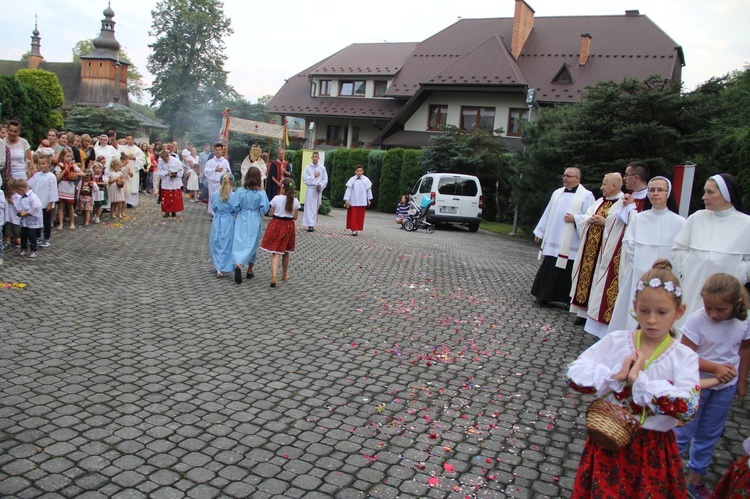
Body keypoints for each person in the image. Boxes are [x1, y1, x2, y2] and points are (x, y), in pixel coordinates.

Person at [566, 260, 700, 498]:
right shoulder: (618, 341)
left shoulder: (683, 356)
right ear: (635, 306)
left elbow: (688, 407)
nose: (651, 320)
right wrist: (614, 376)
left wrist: (640, 382)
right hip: (609, 440)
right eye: (644, 310)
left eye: (662, 312)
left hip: (653, 449)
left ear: (679, 312)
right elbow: (575, 374)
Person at [673, 273, 750, 498]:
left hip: (725, 387)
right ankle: (670, 474)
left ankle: (695, 479)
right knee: (683, 430)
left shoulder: (744, 321)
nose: (713, 314)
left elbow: (744, 350)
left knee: (709, 433)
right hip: (696, 384)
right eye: (709, 307)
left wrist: (742, 381)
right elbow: (684, 355)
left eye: (720, 310)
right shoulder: (698, 319)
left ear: (736, 304)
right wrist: (715, 368)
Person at [607, 177, 685, 333]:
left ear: (668, 193)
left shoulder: (680, 222)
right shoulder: (638, 219)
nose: (655, 194)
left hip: (668, 275)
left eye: (660, 190)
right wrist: (641, 266)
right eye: (652, 190)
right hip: (638, 273)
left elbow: (681, 251)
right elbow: (629, 245)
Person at [672, 173, 750, 322]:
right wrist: (690, 263)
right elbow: (677, 250)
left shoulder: (746, 223)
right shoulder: (696, 218)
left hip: (726, 294)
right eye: (705, 191)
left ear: (726, 195)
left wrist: (739, 271)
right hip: (693, 287)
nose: (704, 197)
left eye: (710, 192)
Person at [531, 167, 595, 305]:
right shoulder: (557, 193)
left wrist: (576, 219)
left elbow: (590, 216)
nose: (565, 178)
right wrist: (540, 232)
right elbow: (548, 213)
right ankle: (543, 295)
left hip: (571, 241)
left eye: (569, 176)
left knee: (567, 269)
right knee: (550, 266)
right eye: (564, 175)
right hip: (554, 236)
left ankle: (566, 299)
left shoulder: (586, 195)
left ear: (577, 178)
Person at [569, 173, 624, 326]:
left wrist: (605, 222)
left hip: (606, 251)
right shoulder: (600, 201)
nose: (601, 187)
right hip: (589, 249)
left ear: (613, 186)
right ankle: (581, 313)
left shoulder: (623, 203)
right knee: (586, 277)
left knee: (598, 279)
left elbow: (624, 226)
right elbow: (585, 217)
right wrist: (590, 219)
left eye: (604, 184)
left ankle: (593, 314)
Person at [231, 167, 269, 284]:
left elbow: (235, 207)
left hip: (242, 217)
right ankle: (250, 270)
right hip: (254, 218)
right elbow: (264, 208)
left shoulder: (240, 191)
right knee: (252, 243)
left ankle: (238, 264)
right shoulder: (261, 193)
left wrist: (241, 211)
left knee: (239, 241)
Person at [260, 178, 300, 287]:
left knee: (276, 251)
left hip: (277, 224)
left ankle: (274, 276)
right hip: (288, 226)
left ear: (282, 187)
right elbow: (295, 217)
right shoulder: (295, 201)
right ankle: (285, 274)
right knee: (286, 251)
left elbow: (271, 213)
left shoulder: (276, 199)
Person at [27, 154, 58, 247]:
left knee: (46, 221)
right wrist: (28, 175)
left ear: (49, 164)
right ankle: (37, 237)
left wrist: (50, 203)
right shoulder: (37, 175)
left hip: (46, 203)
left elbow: (53, 191)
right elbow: (29, 184)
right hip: (37, 203)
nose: (41, 166)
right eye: (39, 164)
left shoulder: (51, 176)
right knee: (37, 221)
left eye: (43, 163)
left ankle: (47, 238)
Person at [209, 174, 236, 278]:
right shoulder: (233, 195)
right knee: (227, 243)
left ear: (220, 182)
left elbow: (214, 207)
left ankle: (218, 266)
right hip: (228, 220)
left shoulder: (215, 194)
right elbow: (235, 208)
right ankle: (224, 265)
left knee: (217, 243)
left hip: (218, 220)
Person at [13, 179, 43, 259]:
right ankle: (23, 248)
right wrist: (20, 211)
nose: (18, 194)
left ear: (21, 189)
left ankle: (34, 250)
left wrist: (27, 213)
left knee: (31, 235)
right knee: (23, 234)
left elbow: (37, 207)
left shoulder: (33, 197)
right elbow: (19, 205)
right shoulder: (22, 197)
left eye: (18, 192)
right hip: (24, 221)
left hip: (32, 220)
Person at [54, 149, 83, 230]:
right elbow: (57, 178)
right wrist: (64, 171)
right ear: (63, 157)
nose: (69, 158)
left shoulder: (73, 165)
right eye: (67, 156)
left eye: (70, 156)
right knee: (61, 205)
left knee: (70, 205)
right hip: (62, 186)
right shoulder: (59, 166)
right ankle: (61, 223)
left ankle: (72, 222)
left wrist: (75, 174)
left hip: (70, 186)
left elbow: (81, 173)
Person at [343, 165, 373, 236]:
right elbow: (348, 189)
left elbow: (368, 190)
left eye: (360, 171)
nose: (359, 172)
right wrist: (347, 199)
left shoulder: (366, 180)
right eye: (358, 171)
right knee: (353, 216)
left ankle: (357, 228)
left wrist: (369, 199)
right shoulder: (352, 179)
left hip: (362, 201)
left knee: (360, 216)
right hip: (353, 200)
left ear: (362, 171)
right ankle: (354, 229)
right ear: (355, 172)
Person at [203, 143, 232, 215]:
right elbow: (206, 171)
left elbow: (228, 172)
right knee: (212, 197)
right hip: (212, 183)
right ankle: (213, 213)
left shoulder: (225, 162)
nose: (218, 151)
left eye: (219, 150)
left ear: (222, 150)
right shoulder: (210, 162)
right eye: (216, 150)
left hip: (221, 183)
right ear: (214, 151)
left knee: (220, 197)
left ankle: (219, 212)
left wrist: (226, 172)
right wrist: (214, 170)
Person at [302, 151, 327, 232]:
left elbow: (325, 180)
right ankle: (309, 224)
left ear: (319, 158)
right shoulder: (307, 168)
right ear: (311, 158)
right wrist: (313, 176)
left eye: (316, 157)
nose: (315, 158)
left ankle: (312, 224)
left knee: (315, 207)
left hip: (317, 190)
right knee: (309, 207)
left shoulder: (322, 168)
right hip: (310, 189)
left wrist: (321, 185)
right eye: (313, 156)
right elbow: (305, 179)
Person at [157, 149, 184, 219]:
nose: (165, 161)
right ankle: (166, 212)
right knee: (166, 198)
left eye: (166, 159)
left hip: (175, 182)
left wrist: (176, 174)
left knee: (174, 198)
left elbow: (181, 169)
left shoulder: (175, 160)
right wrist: (166, 173)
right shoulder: (160, 162)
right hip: (166, 182)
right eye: (164, 159)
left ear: (168, 156)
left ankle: (173, 211)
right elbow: (159, 172)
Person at [121, 134, 144, 207]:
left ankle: (130, 202)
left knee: (132, 183)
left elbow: (142, 159)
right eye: (127, 139)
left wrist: (135, 158)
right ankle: (123, 200)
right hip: (124, 167)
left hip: (134, 168)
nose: (128, 141)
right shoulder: (123, 148)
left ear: (133, 140)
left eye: (129, 139)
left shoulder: (137, 149)